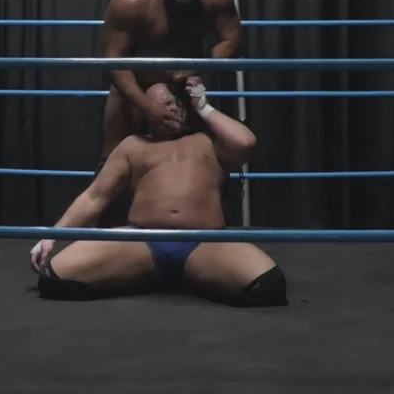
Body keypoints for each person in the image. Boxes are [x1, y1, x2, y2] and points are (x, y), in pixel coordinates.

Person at [29, 78, 286, 307]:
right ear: (146, 112)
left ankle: (189, 273)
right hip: (142, 242)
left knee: (268, 286)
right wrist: (52, 235)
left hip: (203, 243)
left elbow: (246, 142)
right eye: (159, 105)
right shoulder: (133, 146)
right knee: (53, 278)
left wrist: (203, 107)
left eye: (171, 103)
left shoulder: (208, 142)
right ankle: (148, 272)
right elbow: (94, 197)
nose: (168, 109)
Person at [96, 0, 243, 226]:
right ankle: (106, 234)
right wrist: (145, 105)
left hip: (186, 82)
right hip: (135, 83)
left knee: (202, 155)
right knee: (113, 155)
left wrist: (200, 65)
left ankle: (206, 233)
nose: (182, 2)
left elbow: (232, 39)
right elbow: (114, 60)